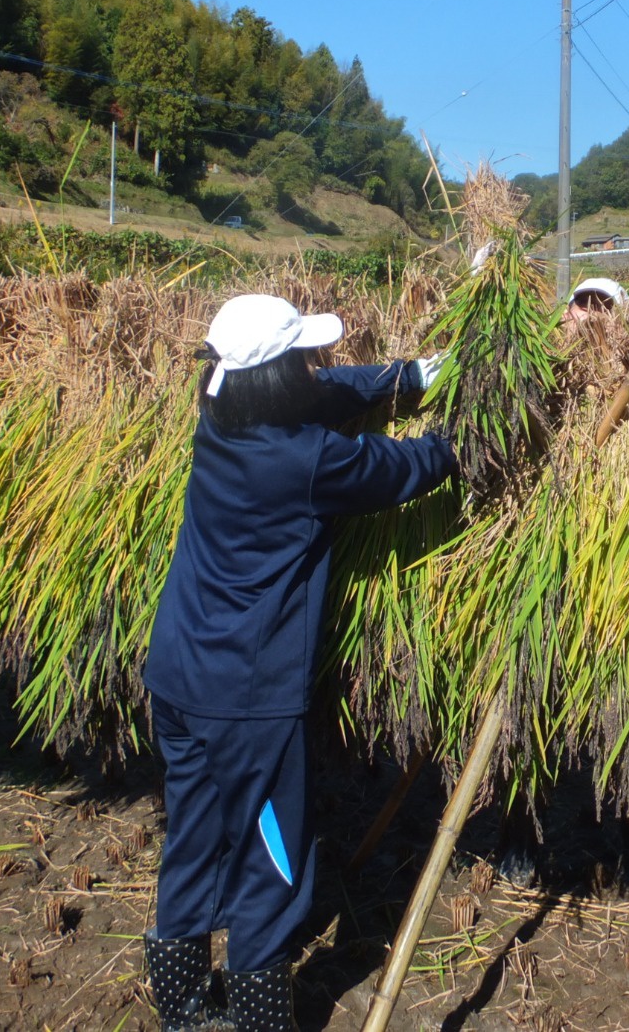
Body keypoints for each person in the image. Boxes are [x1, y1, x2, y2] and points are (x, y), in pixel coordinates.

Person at [143, 294, 458, 1031]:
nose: (316, 367)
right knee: (272, 858)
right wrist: (459, 433)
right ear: (280, 378)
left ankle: (183, 1007)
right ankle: (258, 1016)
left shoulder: (217, 419)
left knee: (190, 832)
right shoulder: (305, 461)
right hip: (248, 699)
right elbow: (403, 468)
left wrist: (405, 376)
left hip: (178, 676)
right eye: (302, 359)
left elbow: (329, 391)